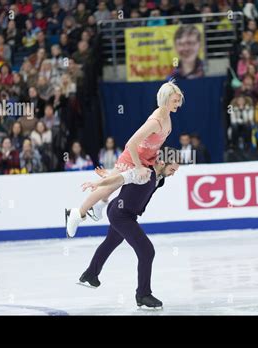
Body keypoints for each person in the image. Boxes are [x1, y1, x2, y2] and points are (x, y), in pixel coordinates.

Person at [66, 80, 183, 238]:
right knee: (108, 187)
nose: (178, 103)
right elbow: (131, 143)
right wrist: (139, 167)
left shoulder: (167, 118)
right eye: (175, 100)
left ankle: (99, 206)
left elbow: (154, 144)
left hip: (146, 159)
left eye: (179, 100)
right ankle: (77, 213)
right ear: (165, 99)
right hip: (132, 158)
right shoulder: (155, 122)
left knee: (114, 184)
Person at [75, 148, 180, 309]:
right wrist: (99, 182)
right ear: (162, 162)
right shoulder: (143, 173)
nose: (173, 174)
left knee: (110, 243)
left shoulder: (159, 177)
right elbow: (121, 179)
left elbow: (121, 177)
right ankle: (143, 294)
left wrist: (108, 176)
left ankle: (90, 274)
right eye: (172, 169)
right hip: (121, 215)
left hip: (121, 211)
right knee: (147, 251)